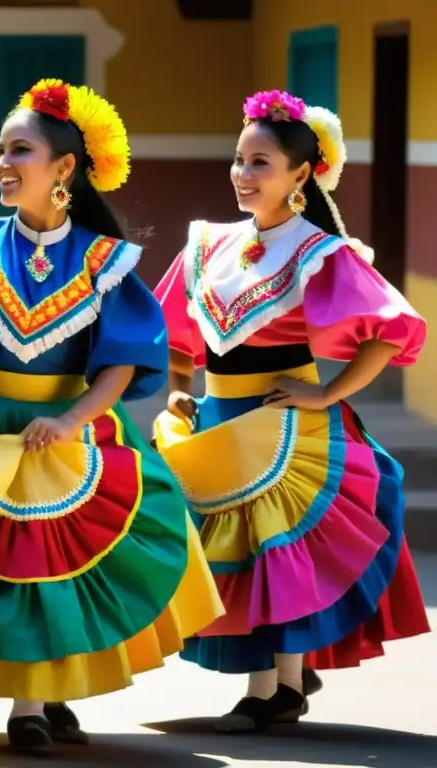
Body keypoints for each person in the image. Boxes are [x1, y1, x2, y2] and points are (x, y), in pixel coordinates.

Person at [0, 79, 225, 755]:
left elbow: (118, 362)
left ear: (64, 170)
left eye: (19, 149)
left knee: (61, 566)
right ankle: (30, 704)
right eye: (0, 149)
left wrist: (77, 418)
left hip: (65, 426)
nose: (2, 162)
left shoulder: (106, 262)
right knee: (9, 564)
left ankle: (43, 695)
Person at [152, 90, 430, 733]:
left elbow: (391, 331)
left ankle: (272, 690)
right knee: (240, 553)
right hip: (222, 420)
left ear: (301, 176)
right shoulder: (208, 244)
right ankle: (288, 672)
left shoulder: (320, 252)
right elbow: (175, 327)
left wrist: (328, 394)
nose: (243, 176)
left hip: (286, 422)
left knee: (278, 551)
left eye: (261, 164)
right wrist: (179, 383)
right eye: (240, 160)